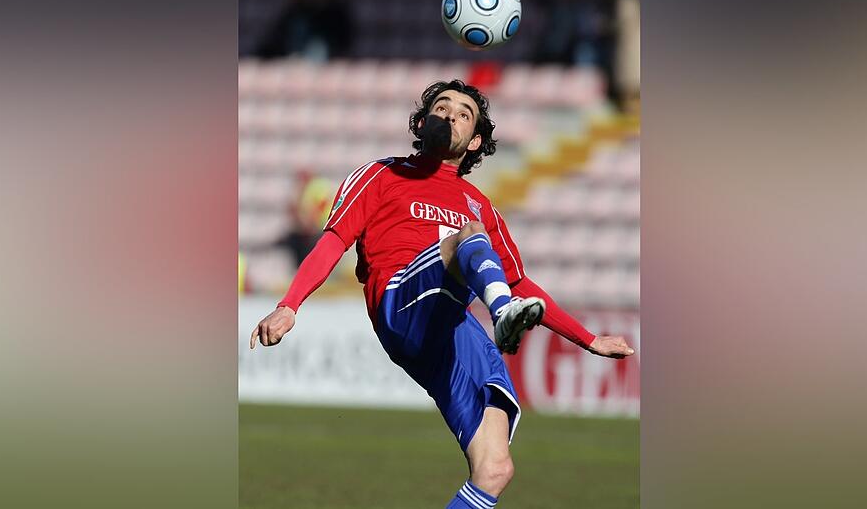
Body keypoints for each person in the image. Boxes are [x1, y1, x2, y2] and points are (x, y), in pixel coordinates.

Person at [249, 80, 635, 509]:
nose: (450, 114)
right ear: (421, 121)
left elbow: (520, 282)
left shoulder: (480, 205)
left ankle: (502, 315)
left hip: (453, 329)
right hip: (400, 301)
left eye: (463, 114)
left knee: (495, 469)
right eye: (442, 107)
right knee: (466, 239)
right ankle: (503, 314)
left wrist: (590, 340)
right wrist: (289, 305)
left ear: (474, 142)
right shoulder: (381, 174)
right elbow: (333, 241)